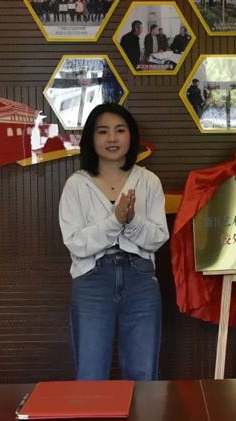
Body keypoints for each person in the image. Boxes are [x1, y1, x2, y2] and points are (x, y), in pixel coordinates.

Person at [58, 103, 169, 380]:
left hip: (140, 278)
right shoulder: (76, 184)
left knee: (143, 373)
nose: (112, 138)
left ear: (131, 136)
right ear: (91, 138)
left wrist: (131, 221)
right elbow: (75, 242)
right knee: (91, 373)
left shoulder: (148, 181)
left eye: (120, 130)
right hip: (92, 279)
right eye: (103, 131)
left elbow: (157, 238)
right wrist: (116, 220)